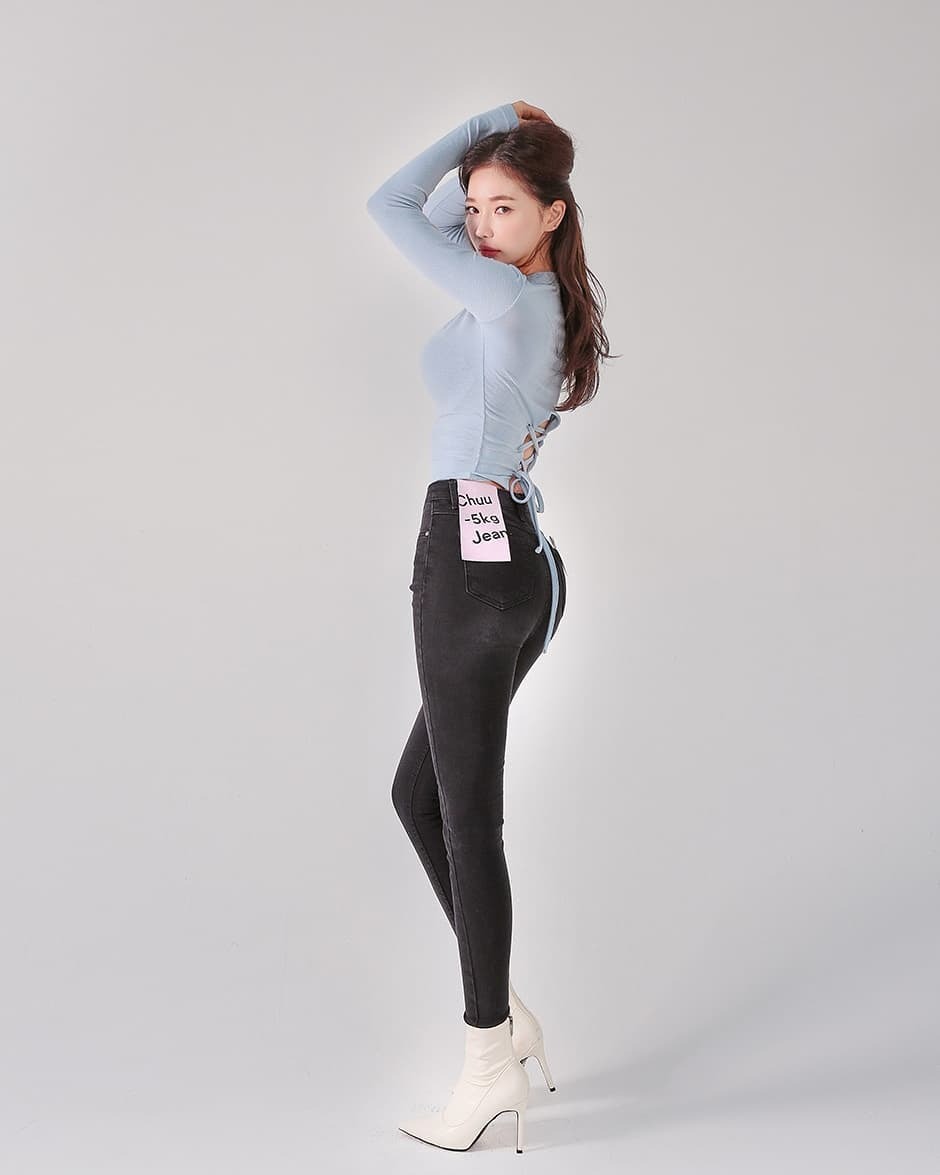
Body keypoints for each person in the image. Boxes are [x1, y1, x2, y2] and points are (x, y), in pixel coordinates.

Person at [366, 98, 613, 1152]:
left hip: (472, 566)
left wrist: (489, 117)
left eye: (504, 207)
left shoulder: (505, 294)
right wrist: (484, 167)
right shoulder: (535, 295)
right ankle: (506, 1019)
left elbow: (388, 204)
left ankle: (484, 1064)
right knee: (418, 795)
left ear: (553, 213)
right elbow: (429, 216)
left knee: (466, 818)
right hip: (518, 562)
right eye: (474, 207)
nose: (477, 225)